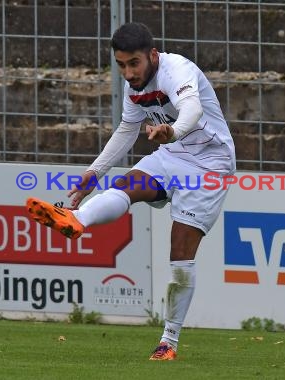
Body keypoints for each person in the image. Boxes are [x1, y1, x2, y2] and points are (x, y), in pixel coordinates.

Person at [26, 22, 235, 360]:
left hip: (210, 163)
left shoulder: (176, 68)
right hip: (172, 154)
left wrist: (173, 130)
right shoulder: (133, 86)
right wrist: (94, 172)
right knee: (126, 186)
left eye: (134, 63)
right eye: (121, 64)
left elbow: (192, 109)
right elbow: (127, 128)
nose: (128, 72)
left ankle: (168, 341)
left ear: (152, 55)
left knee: (180, 256)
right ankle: (77, 219)